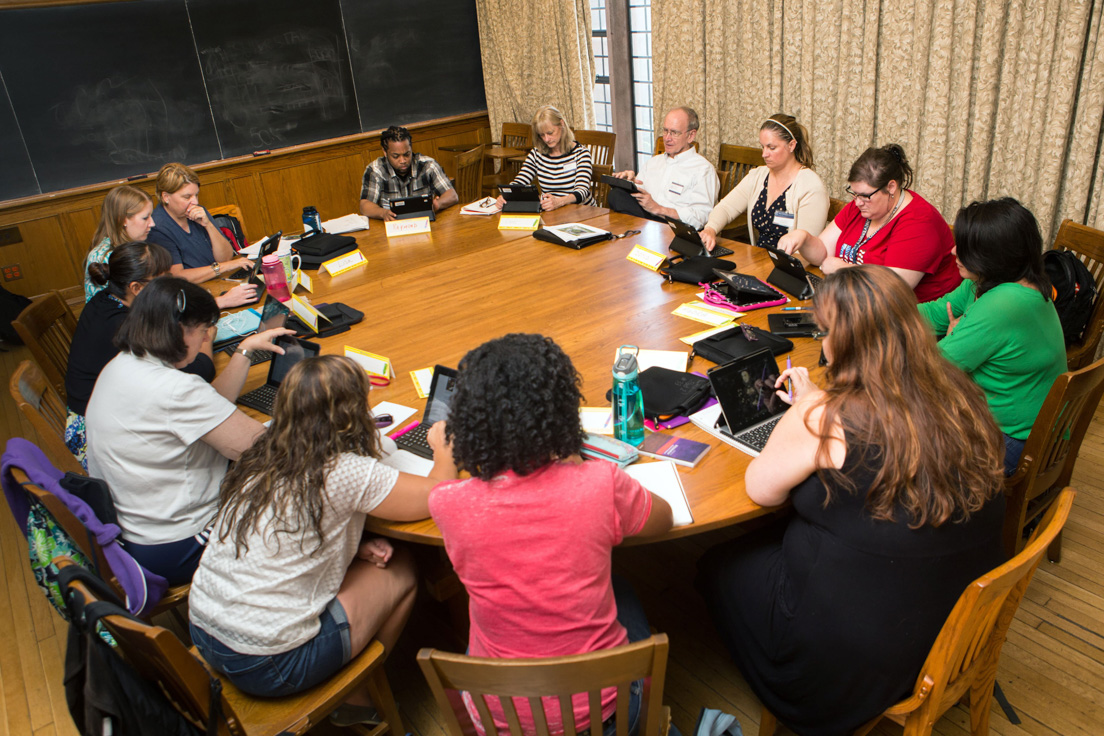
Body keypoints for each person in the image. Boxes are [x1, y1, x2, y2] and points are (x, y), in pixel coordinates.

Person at [696, 265, 1007, 736]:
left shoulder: (827, 417)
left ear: (842, 342)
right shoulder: (959, 393)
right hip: (938, 622)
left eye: (825, 332)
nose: (822, 343)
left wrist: (805, 409)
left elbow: (760, 489)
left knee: (715, 564)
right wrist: (816, 403)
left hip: (844, 669)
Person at [429, 333, 673, 736]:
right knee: (622, 591)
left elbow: (444, 490)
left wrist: (443, 457)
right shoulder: (599, 482)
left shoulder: (448, 504)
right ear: (562, 412)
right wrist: (576, 464)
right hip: (606, 718)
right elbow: (661, 519)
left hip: (500, 720)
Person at [189, 356, 456, 721]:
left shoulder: (264, 452)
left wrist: (353, 544)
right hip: (269, 662)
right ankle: (359, 699)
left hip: (204, 632)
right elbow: (436, 494)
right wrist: (445, 450)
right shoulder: (344, 470)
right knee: (404, 569)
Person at [84, 277, 291, 586]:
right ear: (180, 330)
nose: (207, 336)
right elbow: (261, 449)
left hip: (137, 529)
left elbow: (210, 409)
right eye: (204, 330)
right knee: (299, 500)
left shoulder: (122, 364)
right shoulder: (174, 390)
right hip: (179, 544)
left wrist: (244, 351)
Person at [918, 198, 1066, 475]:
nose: (952, 251)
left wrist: (954, 335)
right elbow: (936, 312)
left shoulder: (1004, 303)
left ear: (992, 256)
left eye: (964, 247)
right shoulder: (998, 283)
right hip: (1018, 425)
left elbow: (930, 370)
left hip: (1014, 441)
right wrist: (873, 313)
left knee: (898, 433)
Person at [779, 144, 961, 301]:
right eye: (855, 193)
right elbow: (823, 253)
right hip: (857, 303)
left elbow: (893, 291)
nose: (857, 202)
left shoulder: (919, 222)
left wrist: (845, 269)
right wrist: (803, 237)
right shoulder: (862, 206)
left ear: (891, 187)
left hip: (909, 320)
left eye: (865, 196)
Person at [701, 114, 829, 251]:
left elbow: (806, 249)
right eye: (763, 147)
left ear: (791, 145)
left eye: (771, 148)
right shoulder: (758, 176)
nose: (764, 154)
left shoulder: (810, 186)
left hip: (790, 266)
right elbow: (726, 208)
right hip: (760, 258)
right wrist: (710, 229)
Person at [609, 107, 718, 228]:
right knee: (616, 194)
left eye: (674, 133)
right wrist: (628, 184)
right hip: (645, 223)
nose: (667, 138)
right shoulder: (653, 162)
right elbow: (639, 196)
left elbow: (701, 217)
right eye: (665, 131)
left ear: (691, 135)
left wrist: (659, 209)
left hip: (675, 228)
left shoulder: (703, 169)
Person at [147, 162, 255, 283]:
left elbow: (225, 258)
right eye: (187, 197)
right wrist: (222, 267)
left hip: (217, 280)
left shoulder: (198, 212)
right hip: (194, 289)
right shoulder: (157, 227)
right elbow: (177, 277)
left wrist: (208, 225)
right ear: (166, 197)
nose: (195, 202)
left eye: (196, 195)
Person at [495, 106, 596, 211]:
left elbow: (582, 191)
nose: (546, 139)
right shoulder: (536, 154)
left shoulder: (580, 153)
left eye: (550, 133)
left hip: (581, 211)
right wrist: (506, 195)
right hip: (553, 212)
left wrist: (559, 201)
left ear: (561, 124)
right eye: (542, 135)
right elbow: (521, 181)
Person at [359, 125, 459, 221]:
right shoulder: (375, 170)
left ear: (411, 148)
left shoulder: (428, 165)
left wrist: (438, 204)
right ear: (385, 152)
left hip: (425, 224)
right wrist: (383, 213)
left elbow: (452, 195)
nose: (403, 160)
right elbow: (365, 205)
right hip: (392, 227)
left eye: (407, 154)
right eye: (396, 156)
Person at [83, 185, 155, 302]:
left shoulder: (136, 243)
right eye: (145, 218)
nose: (152, 223)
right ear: (122, 220)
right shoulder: (102, 257)